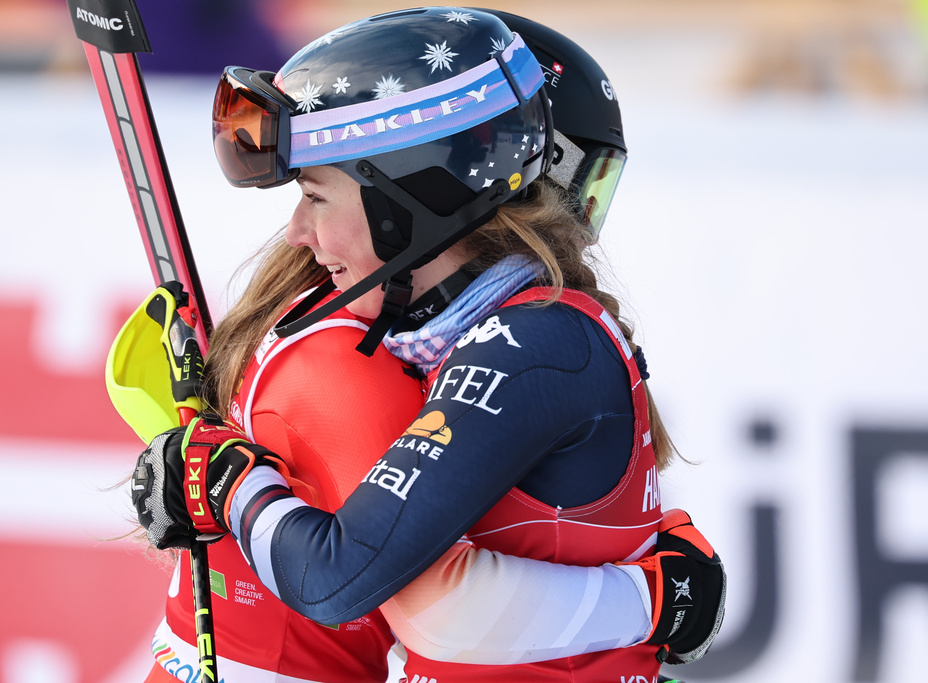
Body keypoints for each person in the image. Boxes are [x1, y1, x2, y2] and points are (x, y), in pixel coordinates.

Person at [133, 7, 725, 683]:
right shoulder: (409, 338)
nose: (296, 229)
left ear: (408, 198)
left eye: (316, 197)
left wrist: (228, 483)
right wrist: (657, 597)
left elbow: (345, 578)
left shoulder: (528, 340)